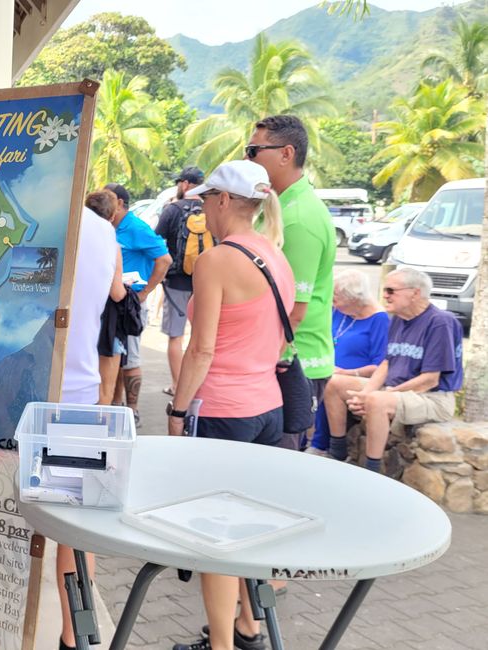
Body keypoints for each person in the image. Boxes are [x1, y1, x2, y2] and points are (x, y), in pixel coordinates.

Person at [168, 160, 292, 650]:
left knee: (213, 536)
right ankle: (248, 627)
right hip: (267, 407)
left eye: (204, 202)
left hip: (221, 409)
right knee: (249, 527)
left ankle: (221, 644)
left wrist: (177, 412)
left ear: (223, 200)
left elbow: (202, 349)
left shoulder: (218, 261)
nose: (200, 211)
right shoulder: (274, 253)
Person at [56, 190, 127, 650]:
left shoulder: (41, 216)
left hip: (18, 396)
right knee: (76, 534)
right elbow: (118, 293)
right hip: (79, 396)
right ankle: (76, 636)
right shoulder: (106, 231)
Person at [247, 115, 335, 450]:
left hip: (292, 361)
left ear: (286, 154)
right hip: (283, 357)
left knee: (275, 469)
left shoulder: (298, 218)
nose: (248, 159)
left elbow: (293, 310)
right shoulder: (284, 207)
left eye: (254, 150)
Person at [322, 268, 463, 471]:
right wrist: (365, 393)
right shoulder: (397, 319)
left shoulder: (440, 322)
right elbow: (386, 364)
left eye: (390, 290)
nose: (384, 295)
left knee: (377, 401)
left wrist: (382, 395)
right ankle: (337, 452)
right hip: (398, 391)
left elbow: (430, 380)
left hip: (433, 397)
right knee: (335, 383)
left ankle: (372, 469)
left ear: (415, 292)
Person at [103, 182, 171, 424]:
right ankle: (116, 404)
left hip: (130, 303)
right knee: (116, 355)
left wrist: (144, 294)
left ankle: (132, 411)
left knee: (130, 359)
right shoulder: (111, 227)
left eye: (108, 198)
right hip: (113, 302)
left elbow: (164, 260)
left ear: (120, 203)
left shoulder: (136, 228)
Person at [306, 269, 389, 457]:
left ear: (354, 299)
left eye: (336, 297)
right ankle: (304, 439)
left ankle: (322, 445)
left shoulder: (379, 320)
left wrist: (347, 373)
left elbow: (380, 366)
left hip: (357, 378)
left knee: (330, 382)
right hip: (328, 368)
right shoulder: (340, 312)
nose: (332, 301)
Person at [154, 166, 205, 396]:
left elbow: (155, 243)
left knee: (176, 337)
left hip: (176, 283)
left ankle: (177, 386)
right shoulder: (211, 208)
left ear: (184, 184)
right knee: (202, 338)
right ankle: (198, 386)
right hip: (205, 285)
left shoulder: (172, 210)